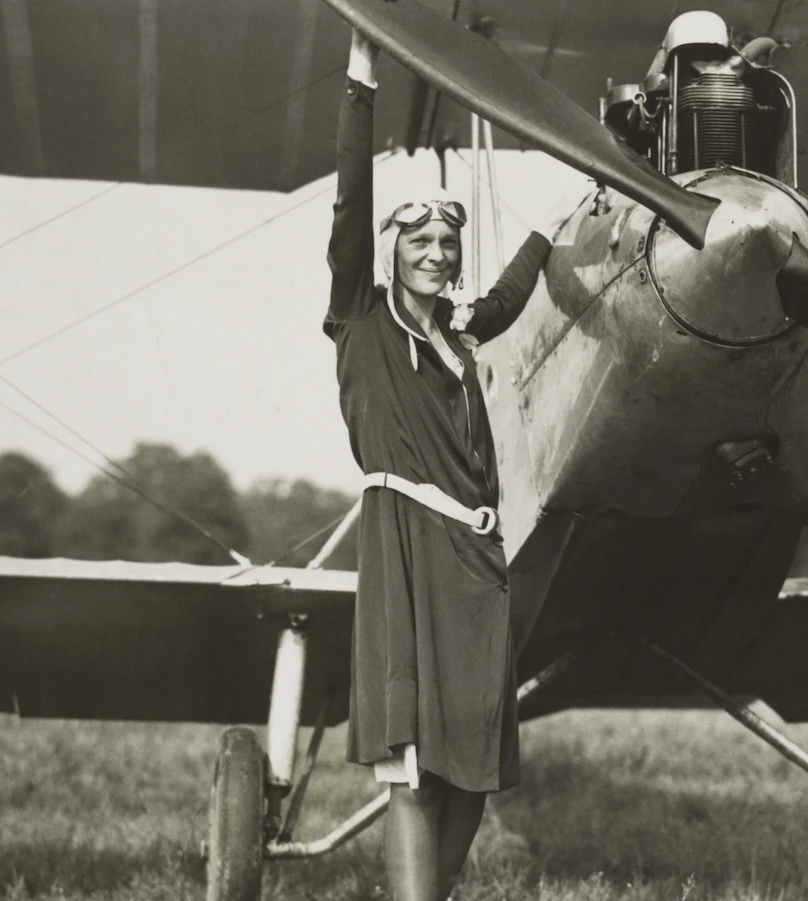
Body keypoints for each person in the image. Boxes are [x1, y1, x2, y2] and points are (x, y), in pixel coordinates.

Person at [326, 29, 581, 901]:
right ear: (392, 250)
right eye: (419, 241)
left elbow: (508, 297)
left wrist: (556, 220)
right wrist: (363, 79)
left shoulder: (460, 334)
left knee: (474, 770)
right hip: (405, 546)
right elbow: (349, 207)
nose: (435, 253)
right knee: (412, 766)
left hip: (479, 564)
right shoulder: (361, 320)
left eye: (446, 243)